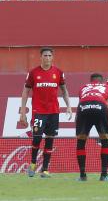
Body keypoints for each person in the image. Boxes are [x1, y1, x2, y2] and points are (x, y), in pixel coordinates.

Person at [19, 47, 72, 178]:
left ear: (52, 57)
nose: (47, 58)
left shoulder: (58, 72)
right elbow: (26, 91)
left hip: (53, 112)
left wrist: (69, 106)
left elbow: (64, 91)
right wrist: (23, 111)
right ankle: (32, 164)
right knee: (37, 138)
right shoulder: (33, 73)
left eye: (49, 55)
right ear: (40, 57)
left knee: (50, 139)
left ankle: (45, 169)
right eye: (45, 55)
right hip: (39, 111)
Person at [75, 74, 108, 181]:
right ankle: (104, 175)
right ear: (102, 82)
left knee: (81, 141)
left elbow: (81, 100)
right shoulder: (107, 87)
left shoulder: (83, 87)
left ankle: (82, 176)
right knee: (105, 140)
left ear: (90, 81)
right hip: (100, 105)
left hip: (83, 107)